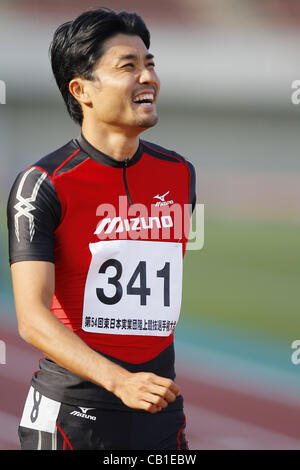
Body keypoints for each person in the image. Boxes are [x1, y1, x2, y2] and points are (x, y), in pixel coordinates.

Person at [7, 7, 196, 450]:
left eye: (150, 63)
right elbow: (31, 319)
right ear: (82, 90)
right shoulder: (43, 184)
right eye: (128, 66)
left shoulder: (181, 174)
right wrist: (120, 381)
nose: (147, 76)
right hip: (73, 417)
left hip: (160, 412)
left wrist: (140, 385)